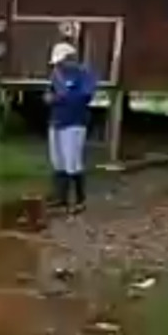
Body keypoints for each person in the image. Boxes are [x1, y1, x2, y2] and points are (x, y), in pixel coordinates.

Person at [45, 41, 96, 212]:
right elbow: (50, 92)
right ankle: (61, 198)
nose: (60, 65)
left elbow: (85, 96)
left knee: (72, 161)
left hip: (74, 122)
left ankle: (80, 200)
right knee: (57, 160)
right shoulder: (56, 73)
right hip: (57, 120)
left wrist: (60, 98)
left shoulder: (84, 74)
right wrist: (50, 98)